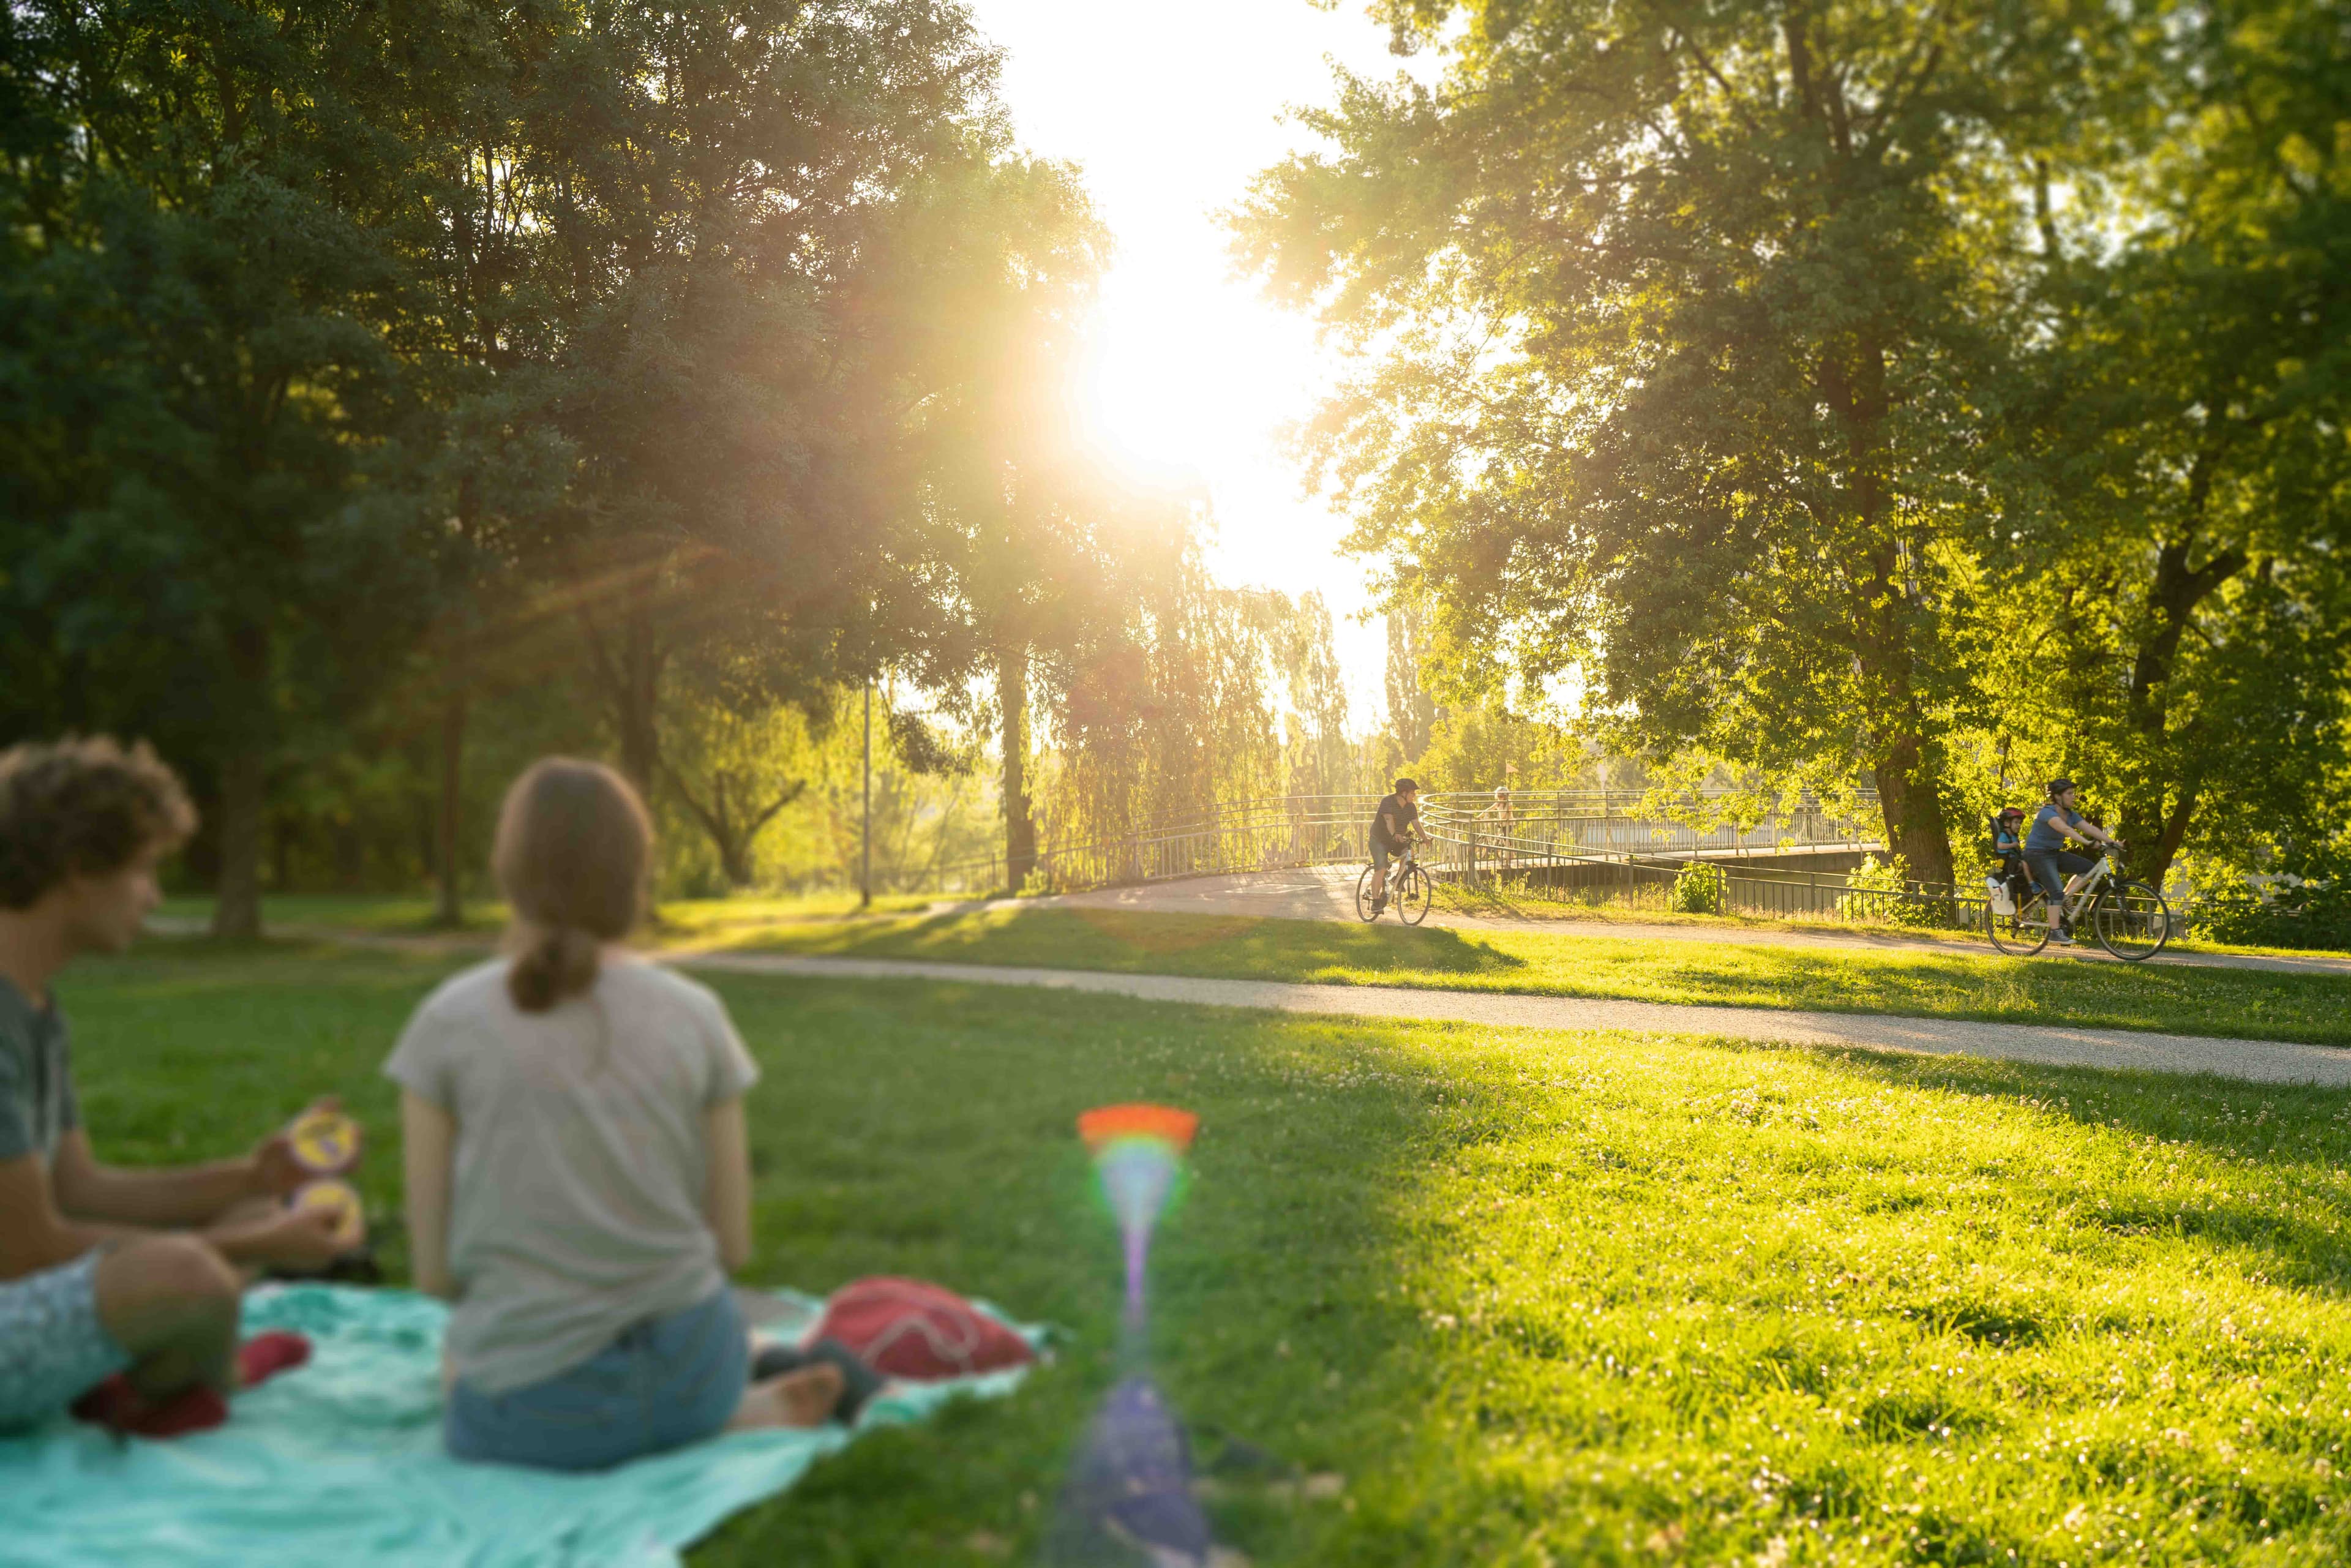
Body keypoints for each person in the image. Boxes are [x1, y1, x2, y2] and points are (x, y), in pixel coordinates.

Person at [388, 758, 842, 1471]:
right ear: (635, 872)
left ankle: (704, 1418)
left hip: (534, 1406)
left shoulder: (446, 1023)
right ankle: (732, 1414)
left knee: (459, 1367)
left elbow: (434, 1277)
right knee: (679, 1348)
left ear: (508, 871)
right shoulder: (698, 1015)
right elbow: (733, 1245)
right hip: (697, 1369)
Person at [0, 738, 347, 1437]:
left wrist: (251, 1176)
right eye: (145, 869)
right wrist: (249, 1246)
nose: (155, 896)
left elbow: (84, 1188)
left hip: (22, 1303)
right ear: (78, 870)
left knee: (243, 1209)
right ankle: (214, 1375)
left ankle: (133, 1373)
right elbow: (27, 1250)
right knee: (190, 1270)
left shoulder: (35, 1008)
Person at [2023, 777, 2126, 943]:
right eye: (2070, 793)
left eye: (2073, 793)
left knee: (2088, 868)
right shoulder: (2047, 812)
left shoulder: (2071, 815)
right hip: (2037, 854)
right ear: (2058, 797)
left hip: (2054, 854)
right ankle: (2055, 933)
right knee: (2056, 891)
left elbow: (2090, 828)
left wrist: (2112, 842)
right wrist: (2086, 842)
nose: (2074, 797)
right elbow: (2064, 829)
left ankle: (2066, 897)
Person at [1367, 778, 1427, 908]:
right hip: (1379, 840)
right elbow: (1389, 820)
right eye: (1412, 793)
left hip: (1396, 840)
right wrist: (1395, 834)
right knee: (1381, 868)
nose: (1415, 796)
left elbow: (1416, 823)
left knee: (1409, 853)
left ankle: (1398, 880)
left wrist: (1425, 838)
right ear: (1403, 793)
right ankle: (1376, 902)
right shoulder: (1388, 802)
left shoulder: (1411, 807)